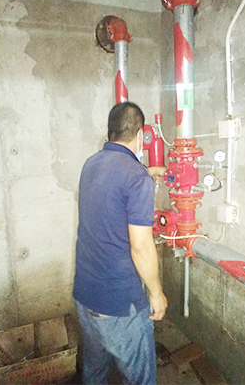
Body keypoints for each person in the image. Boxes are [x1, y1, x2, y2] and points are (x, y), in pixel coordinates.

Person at [73, 101, 168, 385]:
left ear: (110, 131)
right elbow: (141, 247)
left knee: (95, 372)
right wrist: (156, 293)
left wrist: (147, 172)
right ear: (140, 135)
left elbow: (113, 188)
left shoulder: (91, 164)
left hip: (85, 296)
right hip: (118, 304)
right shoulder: (135, 177)